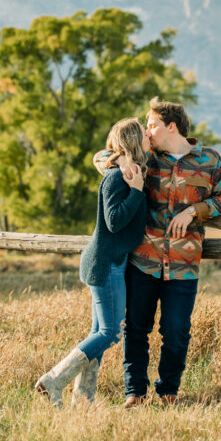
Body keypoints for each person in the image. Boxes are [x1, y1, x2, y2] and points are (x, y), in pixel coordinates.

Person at [95, 97, 221, 407]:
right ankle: (135, 393)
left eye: (152, 125)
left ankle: (168, 392)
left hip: (184, 264)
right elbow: (100, 156)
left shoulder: (211, 161)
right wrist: (120, 161)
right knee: (136, 328)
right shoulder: (147, 158)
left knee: (176, 330)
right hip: (143, 260)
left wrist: (197, 211)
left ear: (171, 127)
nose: (147, 132)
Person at [34, 118, 149, 407]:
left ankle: (83, 399)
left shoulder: (131, 170)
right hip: (104, 262)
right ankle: (53, 380)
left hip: (114, 261)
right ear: (134, 140)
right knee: (109, 333)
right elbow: (113, 221)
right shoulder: (116, 177)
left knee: (100, 332)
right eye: (144, 134)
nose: (149, 137)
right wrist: (135, 192)